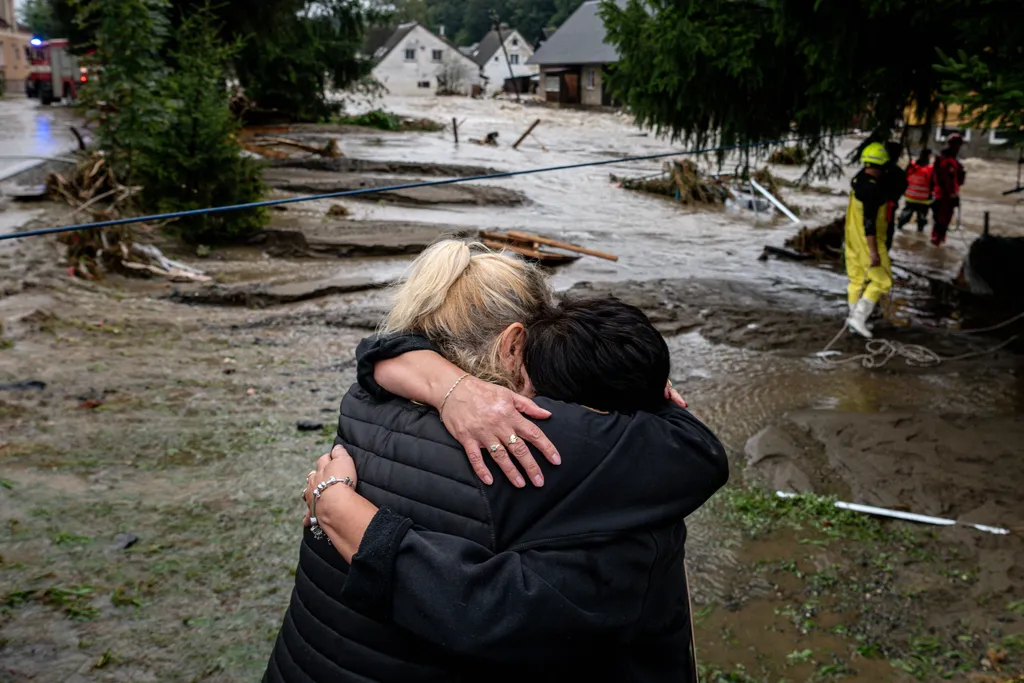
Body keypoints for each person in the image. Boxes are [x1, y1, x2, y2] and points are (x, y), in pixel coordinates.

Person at [263, 242, 728, 683]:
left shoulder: (366, 397)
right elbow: (693, 455)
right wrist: (643, 387)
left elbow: (379, 348)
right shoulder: (553, 446)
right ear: (513, 344)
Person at [845, 142, 892, 338]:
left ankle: (853, 319)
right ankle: (858, 318)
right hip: (868, 242)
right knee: (883, 281)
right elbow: (870, 223)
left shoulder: (858, 180)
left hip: (852, 240)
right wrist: (874, 252)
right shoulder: (873, 192)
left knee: (856, 279)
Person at [931, 132, 967, 246]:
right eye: (957, 145)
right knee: (941, 221)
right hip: (944, 196)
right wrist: (952, 195)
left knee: (943, 221)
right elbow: (946, 180)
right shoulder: (946, 160)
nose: (958, 148)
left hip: (944, 194)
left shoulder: (951, 160)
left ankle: (939, 241)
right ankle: (937, 242)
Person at [897, 148, 934, 232]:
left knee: (906, 214)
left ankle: (899, 226)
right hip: (924, 199)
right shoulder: (930, 169)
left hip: (910, 196)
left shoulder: (912, 166)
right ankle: (920, 230)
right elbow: (933, 183)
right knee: (922, 218)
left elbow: (904, 178)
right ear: (929, 156)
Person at [882, 141, 909, 251]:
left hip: (885, 206)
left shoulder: (877, 168)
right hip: (889, 206)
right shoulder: (898, 172)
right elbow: (903, 188)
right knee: (887, 231)